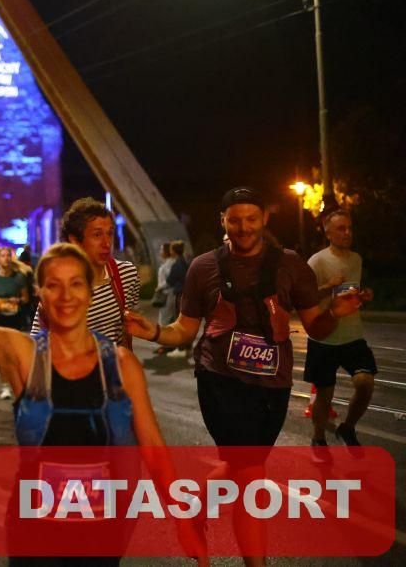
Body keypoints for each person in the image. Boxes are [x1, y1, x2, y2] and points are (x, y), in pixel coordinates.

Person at [0, 231, 204, 567]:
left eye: (76, 284)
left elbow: (153, 446)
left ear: (90, 291)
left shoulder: (121, 365)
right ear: (40, 293)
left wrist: (182, 519)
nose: (65, 296)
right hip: (35, 530)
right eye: (53, 285)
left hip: (102, 528)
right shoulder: (24, 355)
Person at [124, 187, 362, 566]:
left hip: (273, 386)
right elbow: (184, 329)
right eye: (234, 220)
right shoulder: (203, 267)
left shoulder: (291, 265)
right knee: (250, 475)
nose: (244, 227)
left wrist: (334, 312)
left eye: (251, 219)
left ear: (264, 218)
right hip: (220, 382)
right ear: (223, 221)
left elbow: (315, 327)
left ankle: (193, 509)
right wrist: (151, 331)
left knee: (242, 466)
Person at [305, 209, 377, 448]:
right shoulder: (317, 261)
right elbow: (305, 298)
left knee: (365, 383)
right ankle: (318, 437)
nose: (347, 233)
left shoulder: (356, 259)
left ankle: (348, 427)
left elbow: (350, 292)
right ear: (328, 233)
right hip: (325, 337)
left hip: (353, 335)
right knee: (324, 395)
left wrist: (362, 296)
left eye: (350, 228)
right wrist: (327, 286)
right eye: (341, 228)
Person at [31, 198, 140, 348]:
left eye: (109, 233)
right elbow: (37, 343)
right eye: (97, 235)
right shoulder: (60, 287)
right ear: (75, 240)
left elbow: (128, 328)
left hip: (117, 362)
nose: (107, 243)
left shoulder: (126, 274)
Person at [0, 247, 30, 399]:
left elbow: (26, 298)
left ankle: (21, 385)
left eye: (8, 256)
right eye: (3, 256)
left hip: (15, 320)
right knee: (3, 356)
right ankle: (5, 387)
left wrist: (17, 300)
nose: (6, 258)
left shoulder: (19, 278)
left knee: (17, 356)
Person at [165, 241, 192, 357]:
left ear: (174, 251)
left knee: (179, 322)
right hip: (188, 294)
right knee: (187, 322)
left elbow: (170, 280)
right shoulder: (186, 261)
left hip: (180, 295)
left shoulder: (177, 264)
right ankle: (187, 347)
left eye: (171, 249)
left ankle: (181, 349)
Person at [152, 242, 175, 356]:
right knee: (166, 320)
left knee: (165, 321)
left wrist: (159, 287)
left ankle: (166, 346)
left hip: (167, 294)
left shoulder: (170, 264)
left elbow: (170, 280)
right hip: (167, 294)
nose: (160, 252)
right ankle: (168, 345)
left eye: (161, 250)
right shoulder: (167, 263)